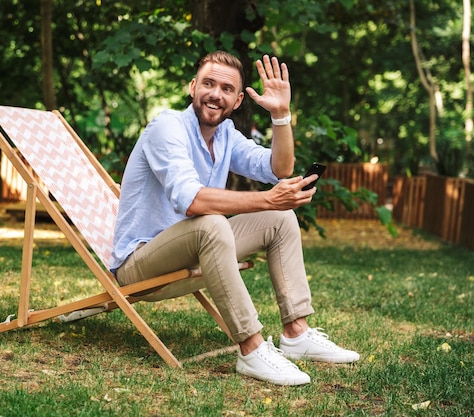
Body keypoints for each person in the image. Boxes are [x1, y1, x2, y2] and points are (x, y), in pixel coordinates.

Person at [109, 51, 359, 386]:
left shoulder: (225, 135)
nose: (215, 93)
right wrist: (266, 198)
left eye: (226, 88)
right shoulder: (167, 127)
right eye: (208, 83)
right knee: (212, 223)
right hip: (140, 263)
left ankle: (296, 333)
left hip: (192, 247)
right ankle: (252, 349)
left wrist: (282, 114)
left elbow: (278, 169)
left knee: (279, 218)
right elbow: (192, 201)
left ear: (238, 100)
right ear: (192, 86)